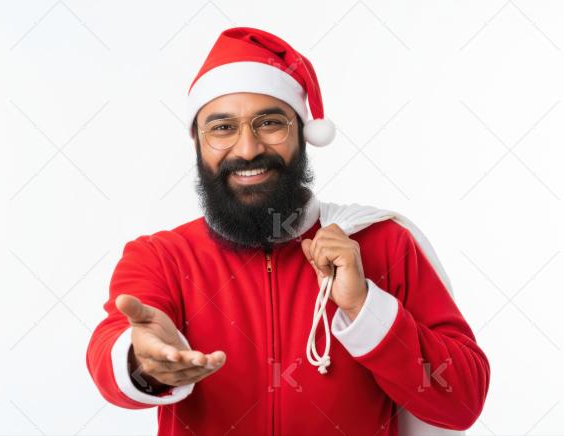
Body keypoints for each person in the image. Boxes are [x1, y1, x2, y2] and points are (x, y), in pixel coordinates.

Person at [86, 27, 490, 435]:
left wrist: (364, 307)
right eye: (222, 128)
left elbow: (462, 402)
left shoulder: (383, 243)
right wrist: (142, 361)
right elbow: (109, 350)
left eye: (269, 123)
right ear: (197, 143)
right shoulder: (161, 257)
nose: (247, 149)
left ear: (302, 134)